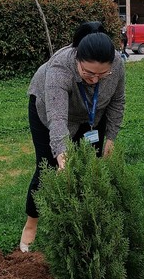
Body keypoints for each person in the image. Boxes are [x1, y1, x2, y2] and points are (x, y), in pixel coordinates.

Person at [20, 21, 125, 252]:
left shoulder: (117, 64)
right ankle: (31, 224)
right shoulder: (58, 68)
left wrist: (111, 138)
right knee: (47, 167)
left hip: (92, 116)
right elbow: (57, 119)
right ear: (77, 59)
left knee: (92, 166)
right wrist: (62, 156)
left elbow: (117, 101)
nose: (95, 79)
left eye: (102, 74)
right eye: (88, 73)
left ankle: (85, 222)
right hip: (49, 111)